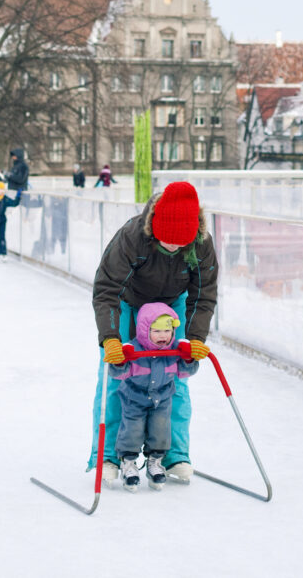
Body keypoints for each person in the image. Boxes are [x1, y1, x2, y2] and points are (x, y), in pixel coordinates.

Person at [87, 180, 218, 483]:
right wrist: (110, 338)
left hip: (173, 304)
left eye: (179, 242)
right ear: (154, 225)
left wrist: (195, 339)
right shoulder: (132, 237)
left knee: (176, 376)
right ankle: (107, 457)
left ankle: (173, 456)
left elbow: (203, 295)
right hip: (127, 301)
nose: (173, 246)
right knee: (115, 376)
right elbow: (106, 289)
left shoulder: (201, 244)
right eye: (167, 240)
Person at [108, 302, 200, 492]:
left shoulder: (174, 350)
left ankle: (155, 463)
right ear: (144, 330)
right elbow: (118, 374)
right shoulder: (135, 350)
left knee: (160, 431)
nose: (163, 336)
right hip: (134, 399)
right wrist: (119, 361)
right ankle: (129, 463)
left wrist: (189, 358)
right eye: (157, 331)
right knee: (132, 432)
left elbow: (185, 371)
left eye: (167, 331)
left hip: (162, 399)